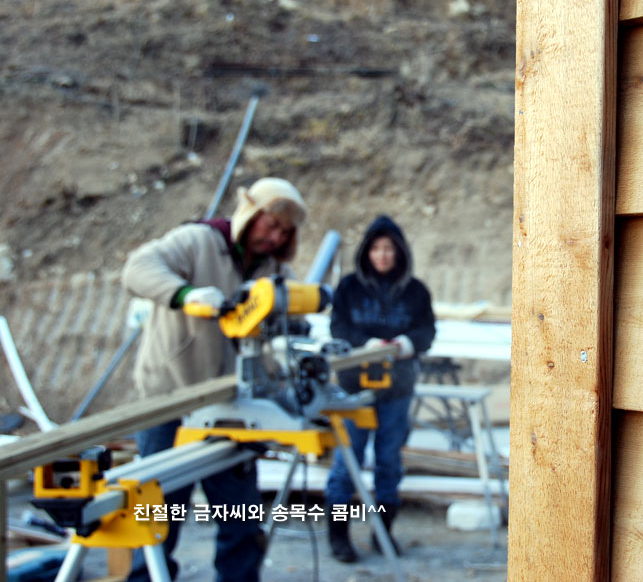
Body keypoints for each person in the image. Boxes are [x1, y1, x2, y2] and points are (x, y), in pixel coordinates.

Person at [121, 177, 309, 582]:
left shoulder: (273, 271)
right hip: (168, 399)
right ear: (249, 213)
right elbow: (137, 269)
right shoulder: (196, 241)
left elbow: (292, 319)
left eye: (283, 232)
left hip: (228, 406)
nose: (273, 237)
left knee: (239, 518)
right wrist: (185, 294)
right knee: (157, 515)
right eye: (269, 224)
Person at [325, 215, 435, 563]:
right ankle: (338, 536)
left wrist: (404, 344)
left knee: (389, 463)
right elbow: (338, 328)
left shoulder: (416, 291)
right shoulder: (348, 288)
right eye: (376, 248)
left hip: (397, 391)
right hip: (353, 390)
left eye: (388, 248)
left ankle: (383, 532)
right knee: (347, 464)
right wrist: (368, 344)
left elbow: (426, 332)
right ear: (366, 252)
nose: (382, 255)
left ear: (398, 252)